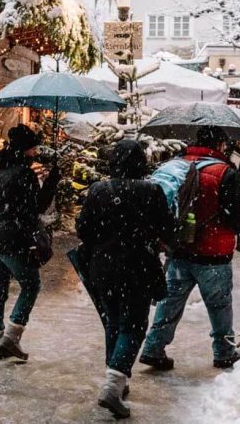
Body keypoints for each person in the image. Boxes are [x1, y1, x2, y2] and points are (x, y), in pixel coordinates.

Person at [139, 127, 240, 370]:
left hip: (179, 249)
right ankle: (223, 351)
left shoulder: (176, 166)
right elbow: (238, 218)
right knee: (219, 304)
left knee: (169, 303)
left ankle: (153, 347)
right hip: (214, 254)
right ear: (220, 145)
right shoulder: (224, 172)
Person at [76, 139, 173, 419]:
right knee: (133, 325)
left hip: (102, 268)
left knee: (114, 321)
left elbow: (83, 229)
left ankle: (116, 379)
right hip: (138, 267)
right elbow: (165, 228)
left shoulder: (98, 190)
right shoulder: (152, 190)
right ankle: (112, 386)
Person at [0, 124, 59, 362]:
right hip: (12, 239)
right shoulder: (24, 174)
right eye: (33, 148)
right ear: (26, 150)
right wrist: (53, 179)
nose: (36, 152)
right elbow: (37, 207)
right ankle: (11, 338)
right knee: (31, 285)